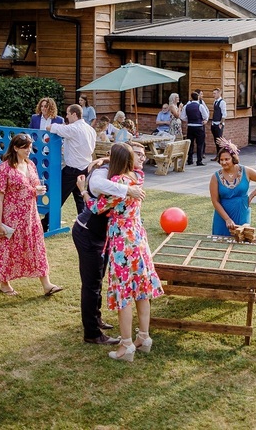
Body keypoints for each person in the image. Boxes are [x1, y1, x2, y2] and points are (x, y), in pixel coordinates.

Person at [87, 143, 164, 362]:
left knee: (123, 295)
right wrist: (103, 161)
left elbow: (96, 207)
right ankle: (144, 338)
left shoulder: (118, 183)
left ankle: (126, 345)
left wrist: (83, 190)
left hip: (123, 243)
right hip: (139, 238)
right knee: (141, 290)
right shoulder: (136, 178)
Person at [74, 143, 147, 345]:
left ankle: (96, 320)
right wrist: (125, 190)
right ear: (126, 160)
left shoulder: (131, 177)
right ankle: (92, 332)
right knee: (92, 283)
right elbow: (96, 192)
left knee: (98, 279)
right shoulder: (106, 173)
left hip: (106, 236)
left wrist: (84, 191)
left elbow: (98, 205)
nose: (141, 159)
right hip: (87, 232)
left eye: (142, 155)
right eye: (137, 155)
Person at [0, 133, 63, 297]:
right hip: (11, 217)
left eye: (30, 147)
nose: (29, 150)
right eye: (25, 147)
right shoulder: (4, 168)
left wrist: (38, 189)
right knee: (8, 249)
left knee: (37, 247)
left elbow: (35, 184)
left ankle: (47, 285)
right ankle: (4, 282)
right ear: (15, 148)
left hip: (31, 216)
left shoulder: (31, 165)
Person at [43, 104, 97, 231]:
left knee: (58, 195)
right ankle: (85, 222)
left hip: (73, 169)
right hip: (85, 167)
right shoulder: (90, 129)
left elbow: (49, 127)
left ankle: (45, 223)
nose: (66, 116)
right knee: (79, 196)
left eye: (67, 114)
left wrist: (61, 127)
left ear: (74, 114)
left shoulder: (73, 129)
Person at [210, 139, 256, 236]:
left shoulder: (246, 171)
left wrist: (251, 196)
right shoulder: (215, 177)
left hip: (242, 212)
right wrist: (227, 219)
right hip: (223, 216)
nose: (223, 162)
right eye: (221, 160)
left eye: (227, 159)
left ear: (233, 158)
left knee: (242, 240)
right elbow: (215, 201)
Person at [181, 91, 209, 166]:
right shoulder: (200, 106)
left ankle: (190, 160)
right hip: (199, 126)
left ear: (191, 98)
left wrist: (189, 120)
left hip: (190, 126)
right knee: (200, 144)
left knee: (190, 143)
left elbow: (182, 117)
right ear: (198, 98)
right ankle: (199, 161)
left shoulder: (186, 106)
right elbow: (205, 116)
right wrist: (203, 120)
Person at [210, 88, 227, 160]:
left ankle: (220, 156)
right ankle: (218, 156)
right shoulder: (215, 102)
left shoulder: (222, 102)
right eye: (213, 93)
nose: (213, 95)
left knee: (219, 141)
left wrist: (221, 123)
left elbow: (224, 113)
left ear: (219, 93)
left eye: (215, 93)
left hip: (218, 123)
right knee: (216, 140)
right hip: (214, 123)